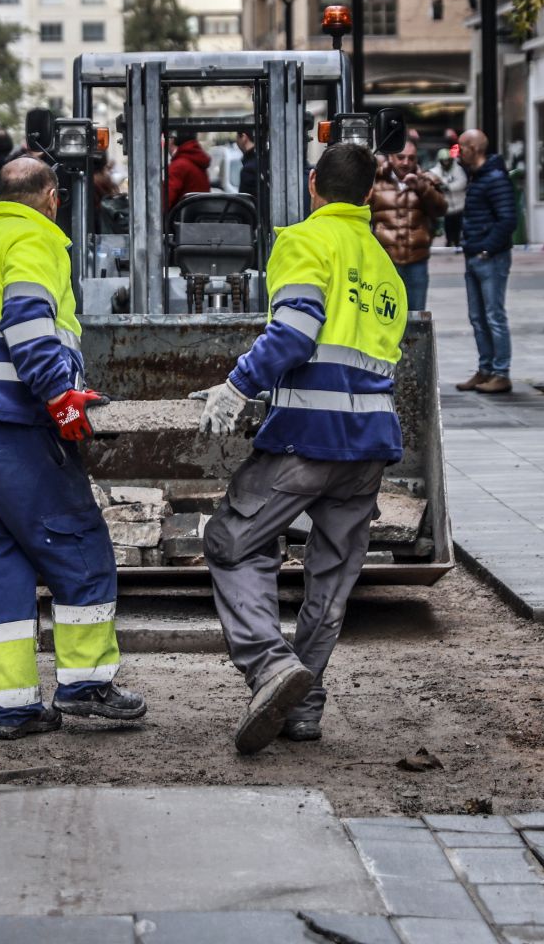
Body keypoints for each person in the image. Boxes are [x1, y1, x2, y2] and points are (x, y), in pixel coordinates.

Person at [189, 143, 405, 754]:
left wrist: (238, 385)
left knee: (232, 542)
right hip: (369, 448)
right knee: (331, 582)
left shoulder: (305, 241)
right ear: (369, 194)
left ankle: (270, 667)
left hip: (306, 441)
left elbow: (297, 330)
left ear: (313, 183)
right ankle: (303, 706)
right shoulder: (381, 264)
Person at [0, 157, 147, 739]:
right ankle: (86, 686)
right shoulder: (34, 238)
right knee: (79, 546)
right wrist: (63, 397)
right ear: (51, 196)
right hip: (13, 427)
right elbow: (28, 328)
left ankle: (14, 707)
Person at [457, 129, 518, 395]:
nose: (458, 152)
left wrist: (486, 249)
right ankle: (486, 369)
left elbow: (507, 219)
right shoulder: (479, 177)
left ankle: (501, 372)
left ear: (474, 148)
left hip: (488, 257)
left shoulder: (494, 178)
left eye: (461, 147)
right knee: (477, 317)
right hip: (475, 253)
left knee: (493, 315)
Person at [371, 140, 446, 312]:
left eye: (411, 158)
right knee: (385, 316)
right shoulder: (376, 181)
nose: (406, 162)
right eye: (401, 157)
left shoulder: (426, 180)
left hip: (416, 261)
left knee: (416, 317)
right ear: (391, 158)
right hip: (386, 261)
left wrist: (421, 187)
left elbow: (440, 209)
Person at [165, 129, 211, 211]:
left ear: (173, 140)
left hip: (181, 220)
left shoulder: (179, 166)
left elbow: (165, 201)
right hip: (197, 219)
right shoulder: (197, 161)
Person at [438, 145, 467, 248]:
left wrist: (449, 187)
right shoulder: (437, 170)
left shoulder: (457, 169)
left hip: (459, 205)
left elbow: (462, 182)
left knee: (458, 226)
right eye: (444, 161)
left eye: (447, 160)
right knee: (448, 226)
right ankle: (449, 241)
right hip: (447, 207)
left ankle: (457, 241)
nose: (446, 163)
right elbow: (436, 180)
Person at [236, 130, 261, 199]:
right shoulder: (263, 158)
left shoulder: (248, 170)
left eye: (237, 137)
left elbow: (245, 204)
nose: (236, 141)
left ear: (244, 137)